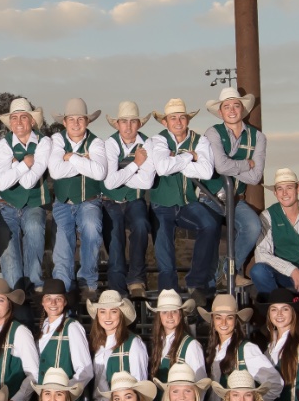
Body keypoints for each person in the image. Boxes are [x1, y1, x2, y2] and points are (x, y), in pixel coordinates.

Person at [146, 98, 219, 307]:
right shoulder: (156, 141)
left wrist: (176, 159)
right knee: (164, 246)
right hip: (161, 203)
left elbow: (206, 171)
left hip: (187, 201)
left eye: (182, 117)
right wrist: (190, 157)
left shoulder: (200, 140)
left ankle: (196, 283)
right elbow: (162, 168)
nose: (178, 121)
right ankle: (168, 294)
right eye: (173, 118)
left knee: (210, 225)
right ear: (165, 122)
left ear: (187, 119)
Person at [201, 88, 266, 289]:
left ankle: (227, 271)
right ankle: (208, 284)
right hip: (210, 197)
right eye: (226, 106)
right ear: (220, 112)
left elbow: (255, 178)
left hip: (236, 198)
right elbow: (220, 167)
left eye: (236, 105)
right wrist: (247, 163)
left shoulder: (258, 137)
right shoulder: (213, 132)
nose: (231, 110)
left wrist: (230, 165)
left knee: (253, 227)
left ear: (243, 110)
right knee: (209, 231)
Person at [46, 98, 108, 299]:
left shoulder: (97, 142)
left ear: (87, 121)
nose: (75, 123)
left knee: (91, 227)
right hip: (63, 202)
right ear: (64, 122)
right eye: (71, 119)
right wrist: (84, 160)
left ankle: (88, 282)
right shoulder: (57, 140)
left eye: (80, 119)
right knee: (63, 241)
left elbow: (99, 173)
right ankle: (62, 288)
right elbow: (55, 171)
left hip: (89, 200)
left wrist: (70, 157)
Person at [0, 97, 51, 294]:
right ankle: (14, 291)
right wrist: (26, 163)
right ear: (10, 123)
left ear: (32, 121)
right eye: (14, 118)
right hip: (7, 203)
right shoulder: (3, 144)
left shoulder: (45, 142)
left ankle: (34, 283)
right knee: (8, 245)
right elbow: (0, 183)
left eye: (23, 117)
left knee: (35, 228)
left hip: (35, 202)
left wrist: (13, 167)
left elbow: (30, 182)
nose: (18, 122)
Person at [101, 101, 156, 298]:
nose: (128, 126)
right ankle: (117, 288)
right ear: (117, 124)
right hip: (110, 200)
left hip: (135, 200)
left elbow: (147, 181)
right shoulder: (109, 143)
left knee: (141, 225)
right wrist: (135, 164)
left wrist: (121, 173)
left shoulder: (148, 143)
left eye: (133, 121)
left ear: (139, 124)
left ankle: (136, 280)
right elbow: (109, 183)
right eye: (123, 121)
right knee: (115, 237)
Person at [252, 168, 299, 306]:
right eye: (280, 189)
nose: (284, 193)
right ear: (275, 192)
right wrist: (291, 270)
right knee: (258, 271)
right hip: (282, 273)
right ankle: (278, 306)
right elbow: (261, 254)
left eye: (289, 188)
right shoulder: (268, 215)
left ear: (298, 188)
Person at [199, 294, 283, 401]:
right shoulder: (212, 350)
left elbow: (275, 382)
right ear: (212, 321)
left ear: (236, 321)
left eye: (229, 317)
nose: (223, 322)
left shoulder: (247, 349)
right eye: (218, 317)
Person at [87, 290, 149, 401]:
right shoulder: (96, 343)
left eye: (113, 311)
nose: (107, 317)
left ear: (120, 315)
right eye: (103, 311)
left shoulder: (134, 343)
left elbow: (140, 383)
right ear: (97, 315)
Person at [147, 289, 205, 401]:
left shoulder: (191, 345)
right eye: (165, 312)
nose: (169, 316)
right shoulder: (158, 344)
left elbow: (200, 386)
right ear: (159, 316)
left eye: (174, 311)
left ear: (181, 314)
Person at [34, 279, 93, 397]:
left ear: (65, 302)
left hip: (65, 398)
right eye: (48, 298)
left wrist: (65, 390)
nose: (53, 303)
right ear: (43, 302)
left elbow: (86, 371)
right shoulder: (42, 327)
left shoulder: (72, 327)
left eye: (58, 299)